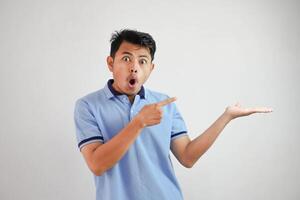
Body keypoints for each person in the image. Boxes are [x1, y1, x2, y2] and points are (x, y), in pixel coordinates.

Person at [74, 29, 273, 200]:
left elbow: (187, 156)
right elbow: (97, 164)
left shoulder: (164, 104)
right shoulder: (88, 106)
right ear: (110, 63)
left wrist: (226, 117)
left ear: (151, 69)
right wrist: (138, 123)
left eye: (142, 61)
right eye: (126, 58)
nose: (134, 66)